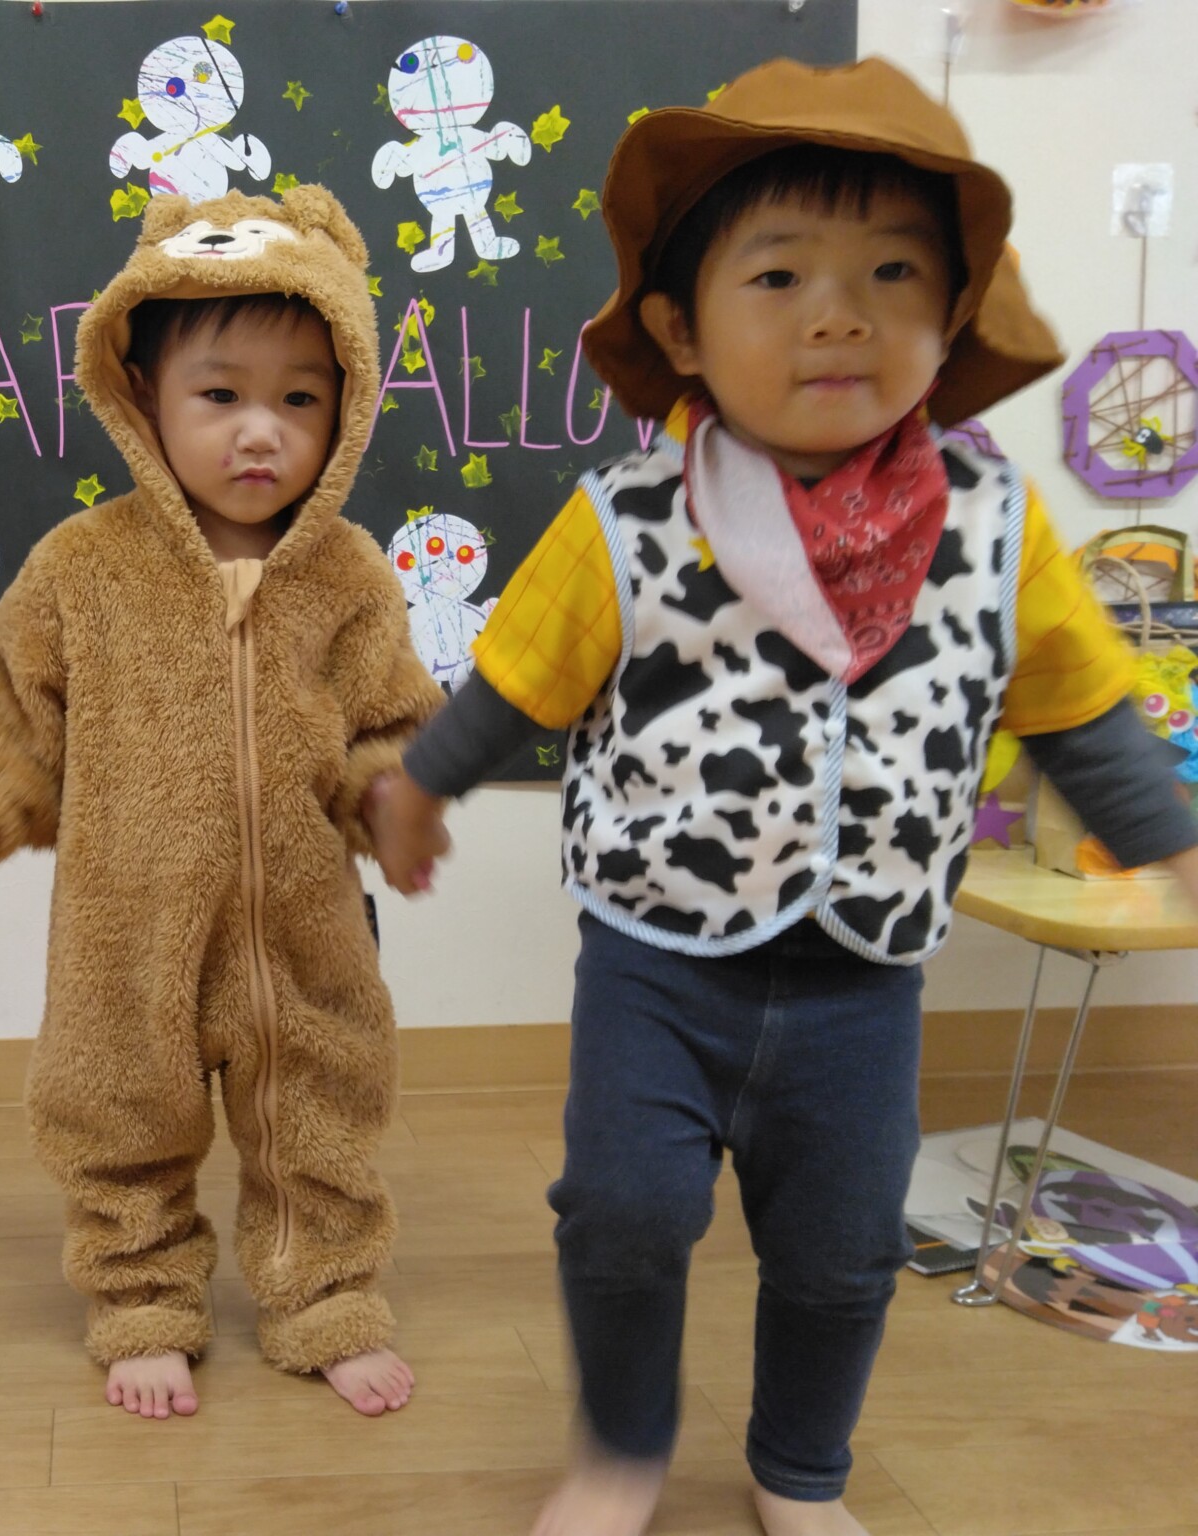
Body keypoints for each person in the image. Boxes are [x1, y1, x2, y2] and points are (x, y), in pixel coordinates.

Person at [365, 57, 1198, 1536]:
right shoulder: (629, 516)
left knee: (841, 1250)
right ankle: (621, 1452)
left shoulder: (994, 524)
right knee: (622, 1216)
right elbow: (517, 684)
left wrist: (1178, 850)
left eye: (892, 273)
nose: (838, 314)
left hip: (863, 979)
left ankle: (797, 1469)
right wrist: (423, 790)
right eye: (779, 275)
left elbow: (1078, 715)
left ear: (953, 316)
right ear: (680, 328)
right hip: (657, 958)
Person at [0, 186, 444, 1419]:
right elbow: (12, 719)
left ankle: (322, 1296)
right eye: (220, 395)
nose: (260, 432)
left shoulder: (348, 575)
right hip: (124, 921)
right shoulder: (80, 568)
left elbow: (388, 724)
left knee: (317, 1109)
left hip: (301, 925)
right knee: (116, 1112)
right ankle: (140, 1296)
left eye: (298, 400)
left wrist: (394, 798)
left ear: (347, 408)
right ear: (142, 397)